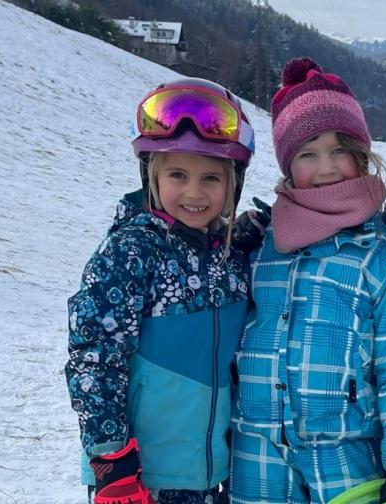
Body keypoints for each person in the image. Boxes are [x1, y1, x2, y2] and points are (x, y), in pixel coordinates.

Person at [230, 58, 386, 504]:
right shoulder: (261, 246)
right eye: (307, 153)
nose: (325, 168)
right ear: (288, 165)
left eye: (339, 149)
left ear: (361, 155)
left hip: (345, 458)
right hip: (256, 457)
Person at [66, 78, 255, 504]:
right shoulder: (130, 253)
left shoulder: (233, 258)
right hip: (142, 476)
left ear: (233, 186)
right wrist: (111, 462)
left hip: (214, 473)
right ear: (151, 174)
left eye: (211, 178)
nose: (194, 192)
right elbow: (94, 359)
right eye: (177, 175)